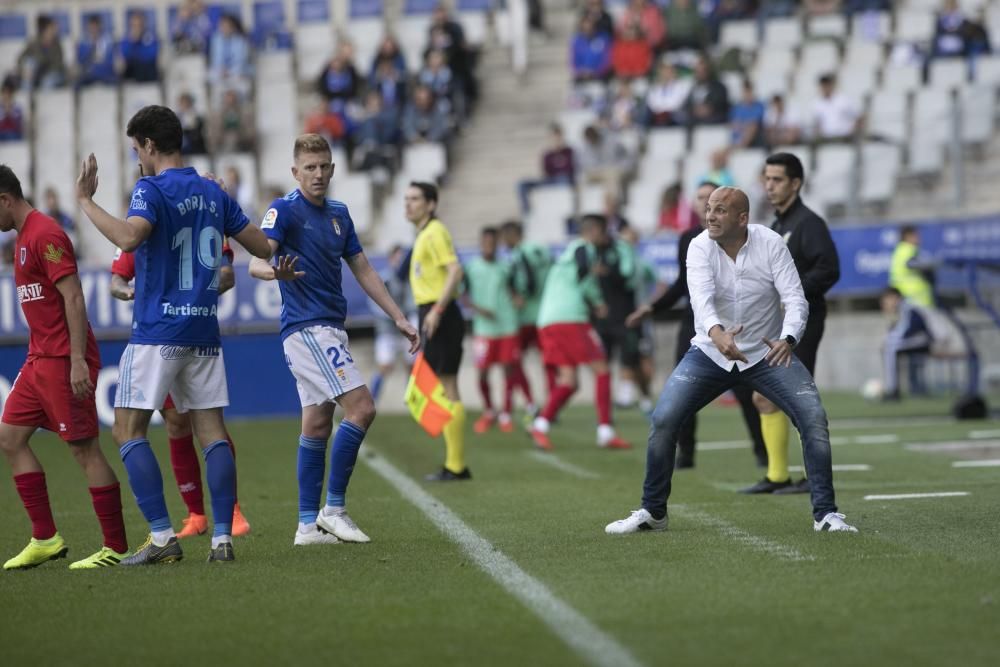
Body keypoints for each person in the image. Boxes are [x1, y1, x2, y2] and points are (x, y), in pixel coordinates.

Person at [75, 104, 272, 564]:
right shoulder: (212, 190)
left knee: (127, 429)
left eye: (135, 149)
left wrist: (85, 201)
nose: (136, 158)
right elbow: (262, 246)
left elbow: (128, 238)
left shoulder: (150, 188)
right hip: (203, 327)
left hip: (158, 330)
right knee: (212, 432)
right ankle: (222, 540)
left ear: (148, 145)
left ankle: (163, 538)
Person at [606, 186, 857, 535]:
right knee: (663, 420)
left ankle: (826, 514)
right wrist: (717, 334)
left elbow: (796, 299)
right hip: (709, 353)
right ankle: (653, 512)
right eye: (709, 208)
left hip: (766, 353)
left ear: (743, 218)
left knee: (813, 418)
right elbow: (701, 299)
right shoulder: (698, 245)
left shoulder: (770, 243)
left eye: (720, 210)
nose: (710, 215)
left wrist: (788, 339)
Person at [250, 133, 418, 544]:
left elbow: (363, 270)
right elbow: (255, 261)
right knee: (361, 408)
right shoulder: (284, 210)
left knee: (318, 422)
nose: (319, 174)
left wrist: (398, 316)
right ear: (295, 171)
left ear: (333, 168)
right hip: (306, 327)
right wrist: (276, 273)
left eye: (324, 166)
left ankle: (308, 526)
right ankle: (334, 509)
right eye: (310, 167)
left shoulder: (340, 213)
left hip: (327, 327)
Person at [0, 165, 129, 570]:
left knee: (84, 449)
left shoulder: (46, 234)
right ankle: (45, 538)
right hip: (39, 359)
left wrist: (77, 362)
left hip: (62, 361)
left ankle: (116, 547)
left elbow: (74, 298)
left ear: (4, 200)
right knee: (9, 437)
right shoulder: (24, 238)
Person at [110, 245, 252, 538]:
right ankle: (196, 515)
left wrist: (188, 300)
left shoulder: (201, 216)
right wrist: (127, 291)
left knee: (210, 425)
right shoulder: (138, 228)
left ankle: (231, 511)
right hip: (158, 337)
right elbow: (117, 279)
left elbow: (226, 276)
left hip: (188, 331)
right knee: (175, 421)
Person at [628, 181, 767, 469]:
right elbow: (683, 285)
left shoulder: (745, 237)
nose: (706, 205)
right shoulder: (689, 239)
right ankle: (687, 452)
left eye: (711, 199)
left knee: (745, 389)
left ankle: (762, 452)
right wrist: (652, 307)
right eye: (701, 200)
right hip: (695, 325)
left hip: (734, 325)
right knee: (685, 389)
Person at [742, 152, 840, 495]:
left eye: (777, 179)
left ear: (795, 184)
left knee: (793, 397)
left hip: (803, 323)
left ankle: (811, 477)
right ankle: (778, 476)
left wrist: (793, 295)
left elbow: (828, 269)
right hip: (779, 325)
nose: (769, 186)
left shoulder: (809, 224)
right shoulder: (777, 225)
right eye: (766, 179)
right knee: (764, 398)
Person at [530, 214, 631, 451]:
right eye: (604, 232)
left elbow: (582, 278)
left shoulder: (567, 255)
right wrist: (596, 301)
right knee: (602, 369)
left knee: (569, 381)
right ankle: (605, 432)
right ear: (595, 231)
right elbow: (584, 267)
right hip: (569, 319)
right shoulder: (583, 248)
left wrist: (596, 300)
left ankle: (540, 425)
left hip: (548, 321)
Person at [405, 181, 469, 481]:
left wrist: (437, 310)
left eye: (415, 199)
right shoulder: (424, 234)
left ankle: (456, 465)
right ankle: (454, 463)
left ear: (431, 204)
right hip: (432, 312)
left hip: (438, 313)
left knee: (445, 384)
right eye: (406, 199)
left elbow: (455, 269)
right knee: (440, 386)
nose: (408, 204)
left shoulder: (435, 232)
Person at [463, 227, 524, 433]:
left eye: (492, 243)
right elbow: (463, 296)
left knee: (509, 369)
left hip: (507, 326)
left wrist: (516, 298)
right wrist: (479, 309)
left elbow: (514, 289)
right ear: (480, 244)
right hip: (484, 328)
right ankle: (489, 411)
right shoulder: (471, 268)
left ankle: (506, 413)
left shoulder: (506, 267)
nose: (489, 247)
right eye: (485, 243)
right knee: (482, 372)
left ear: (497, 244)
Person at [500, 220, 553, 401]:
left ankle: (527, 401)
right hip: (544, 316)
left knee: (512, 361)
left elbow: (528, 280)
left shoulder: (518, 253)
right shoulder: (541, 250)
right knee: (548, 362)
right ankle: (551, 404)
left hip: (524, 318)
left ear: (512, 235)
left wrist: (519, 295)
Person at [370, 245, 414, 403]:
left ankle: (411, 399)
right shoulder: (384, 278)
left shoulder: (407, 280)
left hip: (404, 331)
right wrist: (395, 317)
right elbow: (376, 304)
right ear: (390, 259)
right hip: (387, 331)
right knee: (385, 366)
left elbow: (411, 304)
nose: (400, 261)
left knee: (412, 366)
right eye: (397, 257)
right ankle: (372, 399)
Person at [880, 287, 932, 401]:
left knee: (890, 349)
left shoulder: (907, 307)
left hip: (924, 340)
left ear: (894, 298)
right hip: (917, 340)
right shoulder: (903, 308)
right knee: (889, 347)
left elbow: (906, 330)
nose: (885, 304)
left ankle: (892, 390)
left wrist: (889, 339)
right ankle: (892, 389)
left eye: (886, 300)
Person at [517, 123, 575, 213]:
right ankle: (527, 210)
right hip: (550, 181)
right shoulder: (547, 155)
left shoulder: (569, 152)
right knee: (522, 183)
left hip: (564, 181)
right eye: (553, 136)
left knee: (564, 179)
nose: (556, 139)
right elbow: (545, 173)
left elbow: (571, 170)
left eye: (558, 136)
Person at [889, 225, 936, 308]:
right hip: (913, 298)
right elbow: (911, 263)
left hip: (907, 297)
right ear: (908, 236)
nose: (919, 238)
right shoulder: (907, 249)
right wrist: (930, 265)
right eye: (916, 235)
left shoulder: (900, 250)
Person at [17, 15, 67, 89]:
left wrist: (43, 74)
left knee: (47, 82)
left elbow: (57, 65)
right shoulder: (34, 42)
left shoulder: (57, 44)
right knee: (29, 63)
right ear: (45, 29)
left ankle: (46, 100)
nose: (55, 30)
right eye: (52, 28)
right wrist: (24, 71)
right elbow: (20, 59)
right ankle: (28, 98)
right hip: (37, 74)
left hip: (53, 74)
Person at [209, 14, 252, 97]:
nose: (223, 28)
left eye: (226, 26)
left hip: (237, 72)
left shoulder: (241, 40)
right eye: (222, 26)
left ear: (233, 27)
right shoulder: (216, 39)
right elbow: (216, 59)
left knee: (242, 84)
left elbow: (241, 60)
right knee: (211, 77)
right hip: (220, 72)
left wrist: (230, 71)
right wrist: (221, 69)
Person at [812, 74, 862, 143]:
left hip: (845, 137)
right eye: (823, 85)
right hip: (826, 139)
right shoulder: (816, 103)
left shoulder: (844, 100)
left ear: (831, 85)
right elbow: (817, 124)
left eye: (827, 85)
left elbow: (858, 117)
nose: (825, 87)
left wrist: (853, 132)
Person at [684, 55, 730, 126]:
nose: (700, 74)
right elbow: (687, 104)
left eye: (703, 71)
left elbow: (720, 102)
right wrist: (695, 110)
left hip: (714, 119)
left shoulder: (718, 87)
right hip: (696, 119)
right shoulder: (693, 88)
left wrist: (709, 108)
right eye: (698, 71)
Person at [644, 62, 692, 128]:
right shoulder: (654, 88)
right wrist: (661, 111)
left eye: (668, 70)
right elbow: (652, 104)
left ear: (673, 72)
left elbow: (677, 104)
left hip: (674, 116)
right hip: (658, 116)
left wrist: (664, 110)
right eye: (663, 71)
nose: (665, 74)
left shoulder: (681, 85)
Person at [77, 14, 117, 86]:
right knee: (78, 82)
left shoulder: (108, 41)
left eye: (96, 27)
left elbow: (110, 63)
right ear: (88, 27)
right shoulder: (83, 44)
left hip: (105, 75)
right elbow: (82, 62)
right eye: (92, 27)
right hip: (89, 76)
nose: (94, 30)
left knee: (115, 81)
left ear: (100, 26)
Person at [120, 11, 159, 83]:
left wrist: (139, 44)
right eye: (134, 25)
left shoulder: (150, 36)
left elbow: (152, 56)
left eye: (139, 25)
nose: (137, 28)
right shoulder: (127, 39)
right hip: (133, 70)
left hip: (147, 69)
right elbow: (125, 55)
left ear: (143, 24)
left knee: (145, 67)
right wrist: (132, 42)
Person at [571, 15, 613, 83]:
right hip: (581, 78)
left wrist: (595, 72)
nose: (587, 31)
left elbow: (607, 60)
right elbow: (574, 62)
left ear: (595, 27)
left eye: (590, 28)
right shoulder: (577, 41)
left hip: (600, 79)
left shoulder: (604, 39)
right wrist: (581, 72)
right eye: (584, 29)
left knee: (598, 91)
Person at [730, 79, 766, 148]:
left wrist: (742, 126)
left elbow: (754, 125)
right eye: (745, 91)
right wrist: (744, 126)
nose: (747, 94)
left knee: (751, 129)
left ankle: (740, 146)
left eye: (749, 91)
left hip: (754, 139)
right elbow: (734, 125)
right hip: (737, 139)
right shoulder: (736, 108)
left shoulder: (759, 106)